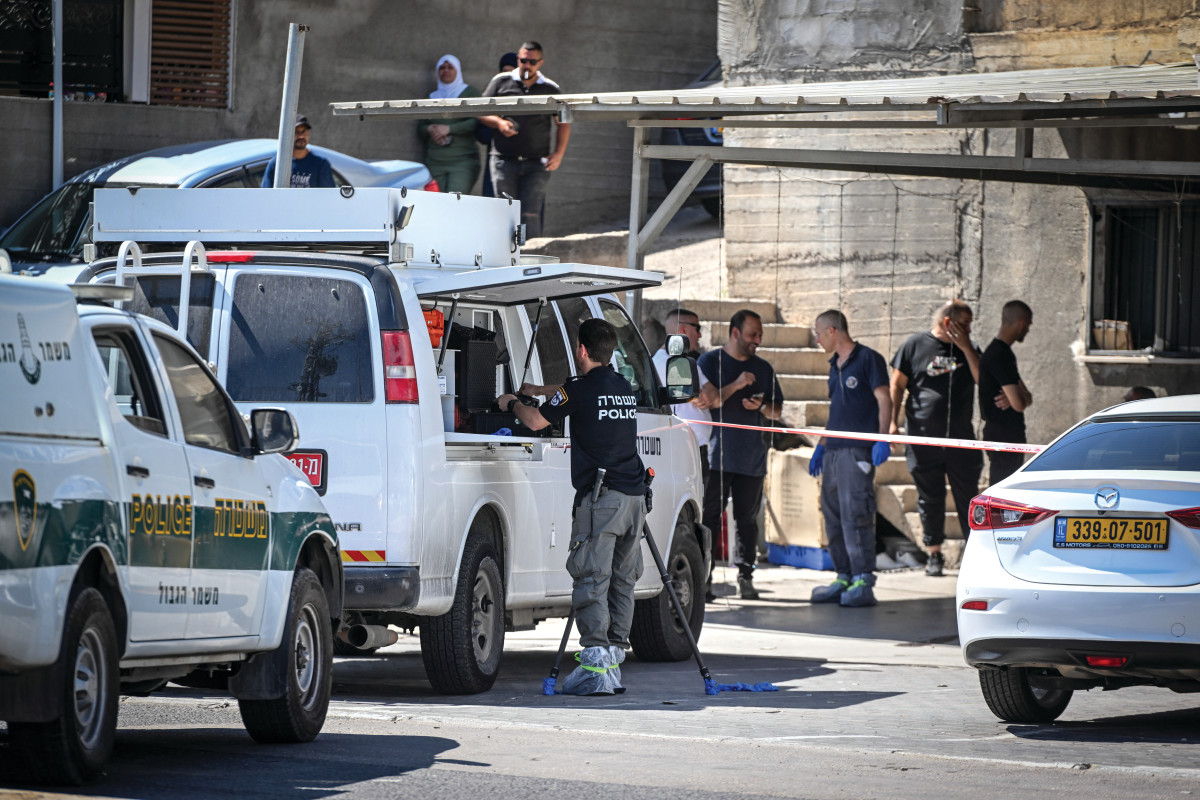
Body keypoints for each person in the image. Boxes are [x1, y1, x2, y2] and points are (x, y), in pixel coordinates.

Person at [498, 318, 646, 695]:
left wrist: (512, 401)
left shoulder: (580, 390)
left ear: (580, 349)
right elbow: (575, 391)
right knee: (621, 582)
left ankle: (595, 667)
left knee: (592, 578)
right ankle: (611, 665)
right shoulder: (621, 384)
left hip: (602, 499)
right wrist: (540, 389)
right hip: (633, 499)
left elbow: (534, 420)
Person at [889, 299, 983, 578]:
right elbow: (897, 385)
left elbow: (982, 380)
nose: (969, 328)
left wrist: (965, 347)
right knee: (930, 497)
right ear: (947, 322)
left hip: (961, 440)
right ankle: (934, 554)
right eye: (964, 323)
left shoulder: (970, 349)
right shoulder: (914, 345)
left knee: (968, 496)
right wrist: (892, 423)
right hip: (923, 437)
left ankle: (975, 554)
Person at [808, 310, 892, 607]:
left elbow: (884, 398)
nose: (816, 339)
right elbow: (836, 411)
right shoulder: (834, 366)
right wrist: (821, 445)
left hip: (857, 451)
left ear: (833, 331)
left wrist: (883, 437)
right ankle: (843, 575)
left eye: (818, 333)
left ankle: (862, 580)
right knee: (832, 515)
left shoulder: (869, 359)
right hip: (833, 451)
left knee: (856, 514)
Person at [698, 309, 784, 600]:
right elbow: (706, 401)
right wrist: (737, 386)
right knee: (710, 517)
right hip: (717, 455)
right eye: (752, 334)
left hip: (752, 457)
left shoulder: (764, 368)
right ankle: (704, 578)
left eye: (759, 335)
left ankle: (746, 576)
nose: (757, 340)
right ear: (735, 332)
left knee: (747, 520)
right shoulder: (709, 362)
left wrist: (760, 406)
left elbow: (778, 411)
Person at [478, 41, 571, 239]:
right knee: (503, 214)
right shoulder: (501, 81)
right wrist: (499, 123)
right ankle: (501, 262)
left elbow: (563, 122)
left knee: (530, 215)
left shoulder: (550, 88)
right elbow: (480, 111)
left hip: (536, 163)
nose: (526, 65)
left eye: (532, 61)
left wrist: (559, 154)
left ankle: (530, 264)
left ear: (540, 63)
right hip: (504, 160)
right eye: (523, 60)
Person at [652, 308, 718, 501]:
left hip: (699, 448)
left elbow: (714, 394)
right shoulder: (661, 363)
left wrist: (708, 396)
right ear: (682, 330)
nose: (699, 334)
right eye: (697, 328)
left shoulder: (688, 362)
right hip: (682, 449)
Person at [978, 300, 1034, 485]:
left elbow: (1026, 397)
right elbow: (1019, 403)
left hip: (1008, 435)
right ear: (1021, 323)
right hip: (1003, 437)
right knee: (1003, 492)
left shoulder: (1005, 354)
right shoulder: (999, 355)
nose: (1028, 330)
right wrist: (1019, 398)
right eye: (1028, 325)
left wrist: (1020, 397)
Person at [418, 55, 483, 195]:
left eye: (450, 67)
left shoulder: (469, 93)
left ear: (458, 71)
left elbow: (477, 121)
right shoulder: (431, 97)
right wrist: (430, 129)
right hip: (435, 161)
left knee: (455, 202)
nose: (446, 71)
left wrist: (449, 129)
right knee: (435, 204)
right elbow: (420, 128)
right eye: (442, 68)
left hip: (462, 161)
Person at [478, 52, 519, 198]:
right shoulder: (493, 97)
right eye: (504, 72)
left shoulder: (528, 96)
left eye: (511, 71)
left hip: (523, 164)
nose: (507, 76)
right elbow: (481, 133)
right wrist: (498, 126)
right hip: (498, 161)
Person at [261, 114, 336, 188]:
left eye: (304, 131)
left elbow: (327, 197)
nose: (301, 136)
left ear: (308, 134)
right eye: (296, 132)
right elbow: (266, 196)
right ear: (288, 134)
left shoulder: (321, 165)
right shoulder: (277, 164)